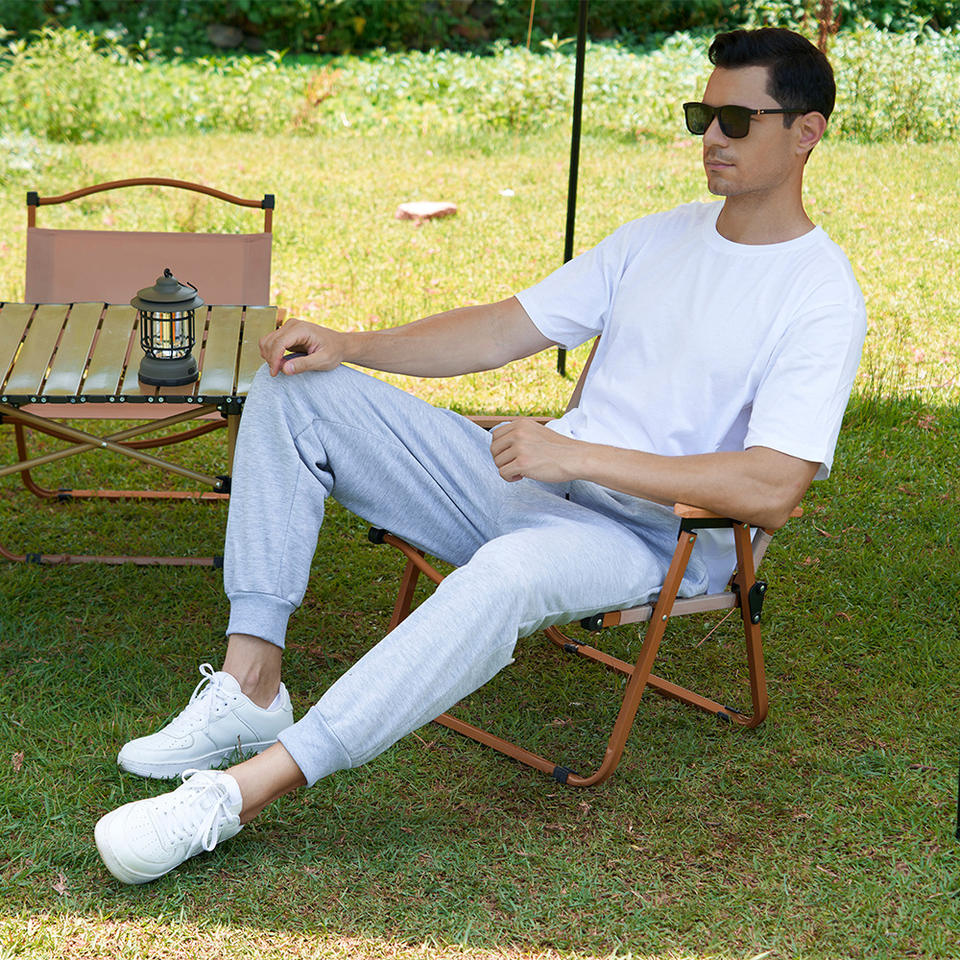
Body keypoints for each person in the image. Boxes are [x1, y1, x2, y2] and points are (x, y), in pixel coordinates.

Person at [94, 26, 866, 885]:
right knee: (296, 387)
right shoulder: (658, 238)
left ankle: (236, 795)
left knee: (504, 574)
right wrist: (352, 344)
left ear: (806, 132)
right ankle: (252, 685)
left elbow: (771, 487)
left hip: (652, 539)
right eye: (701, 115)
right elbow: (503, 329)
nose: (711, 137)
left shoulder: (819, 296)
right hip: (535, 480)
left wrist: (579, 456)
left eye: (736, 119)